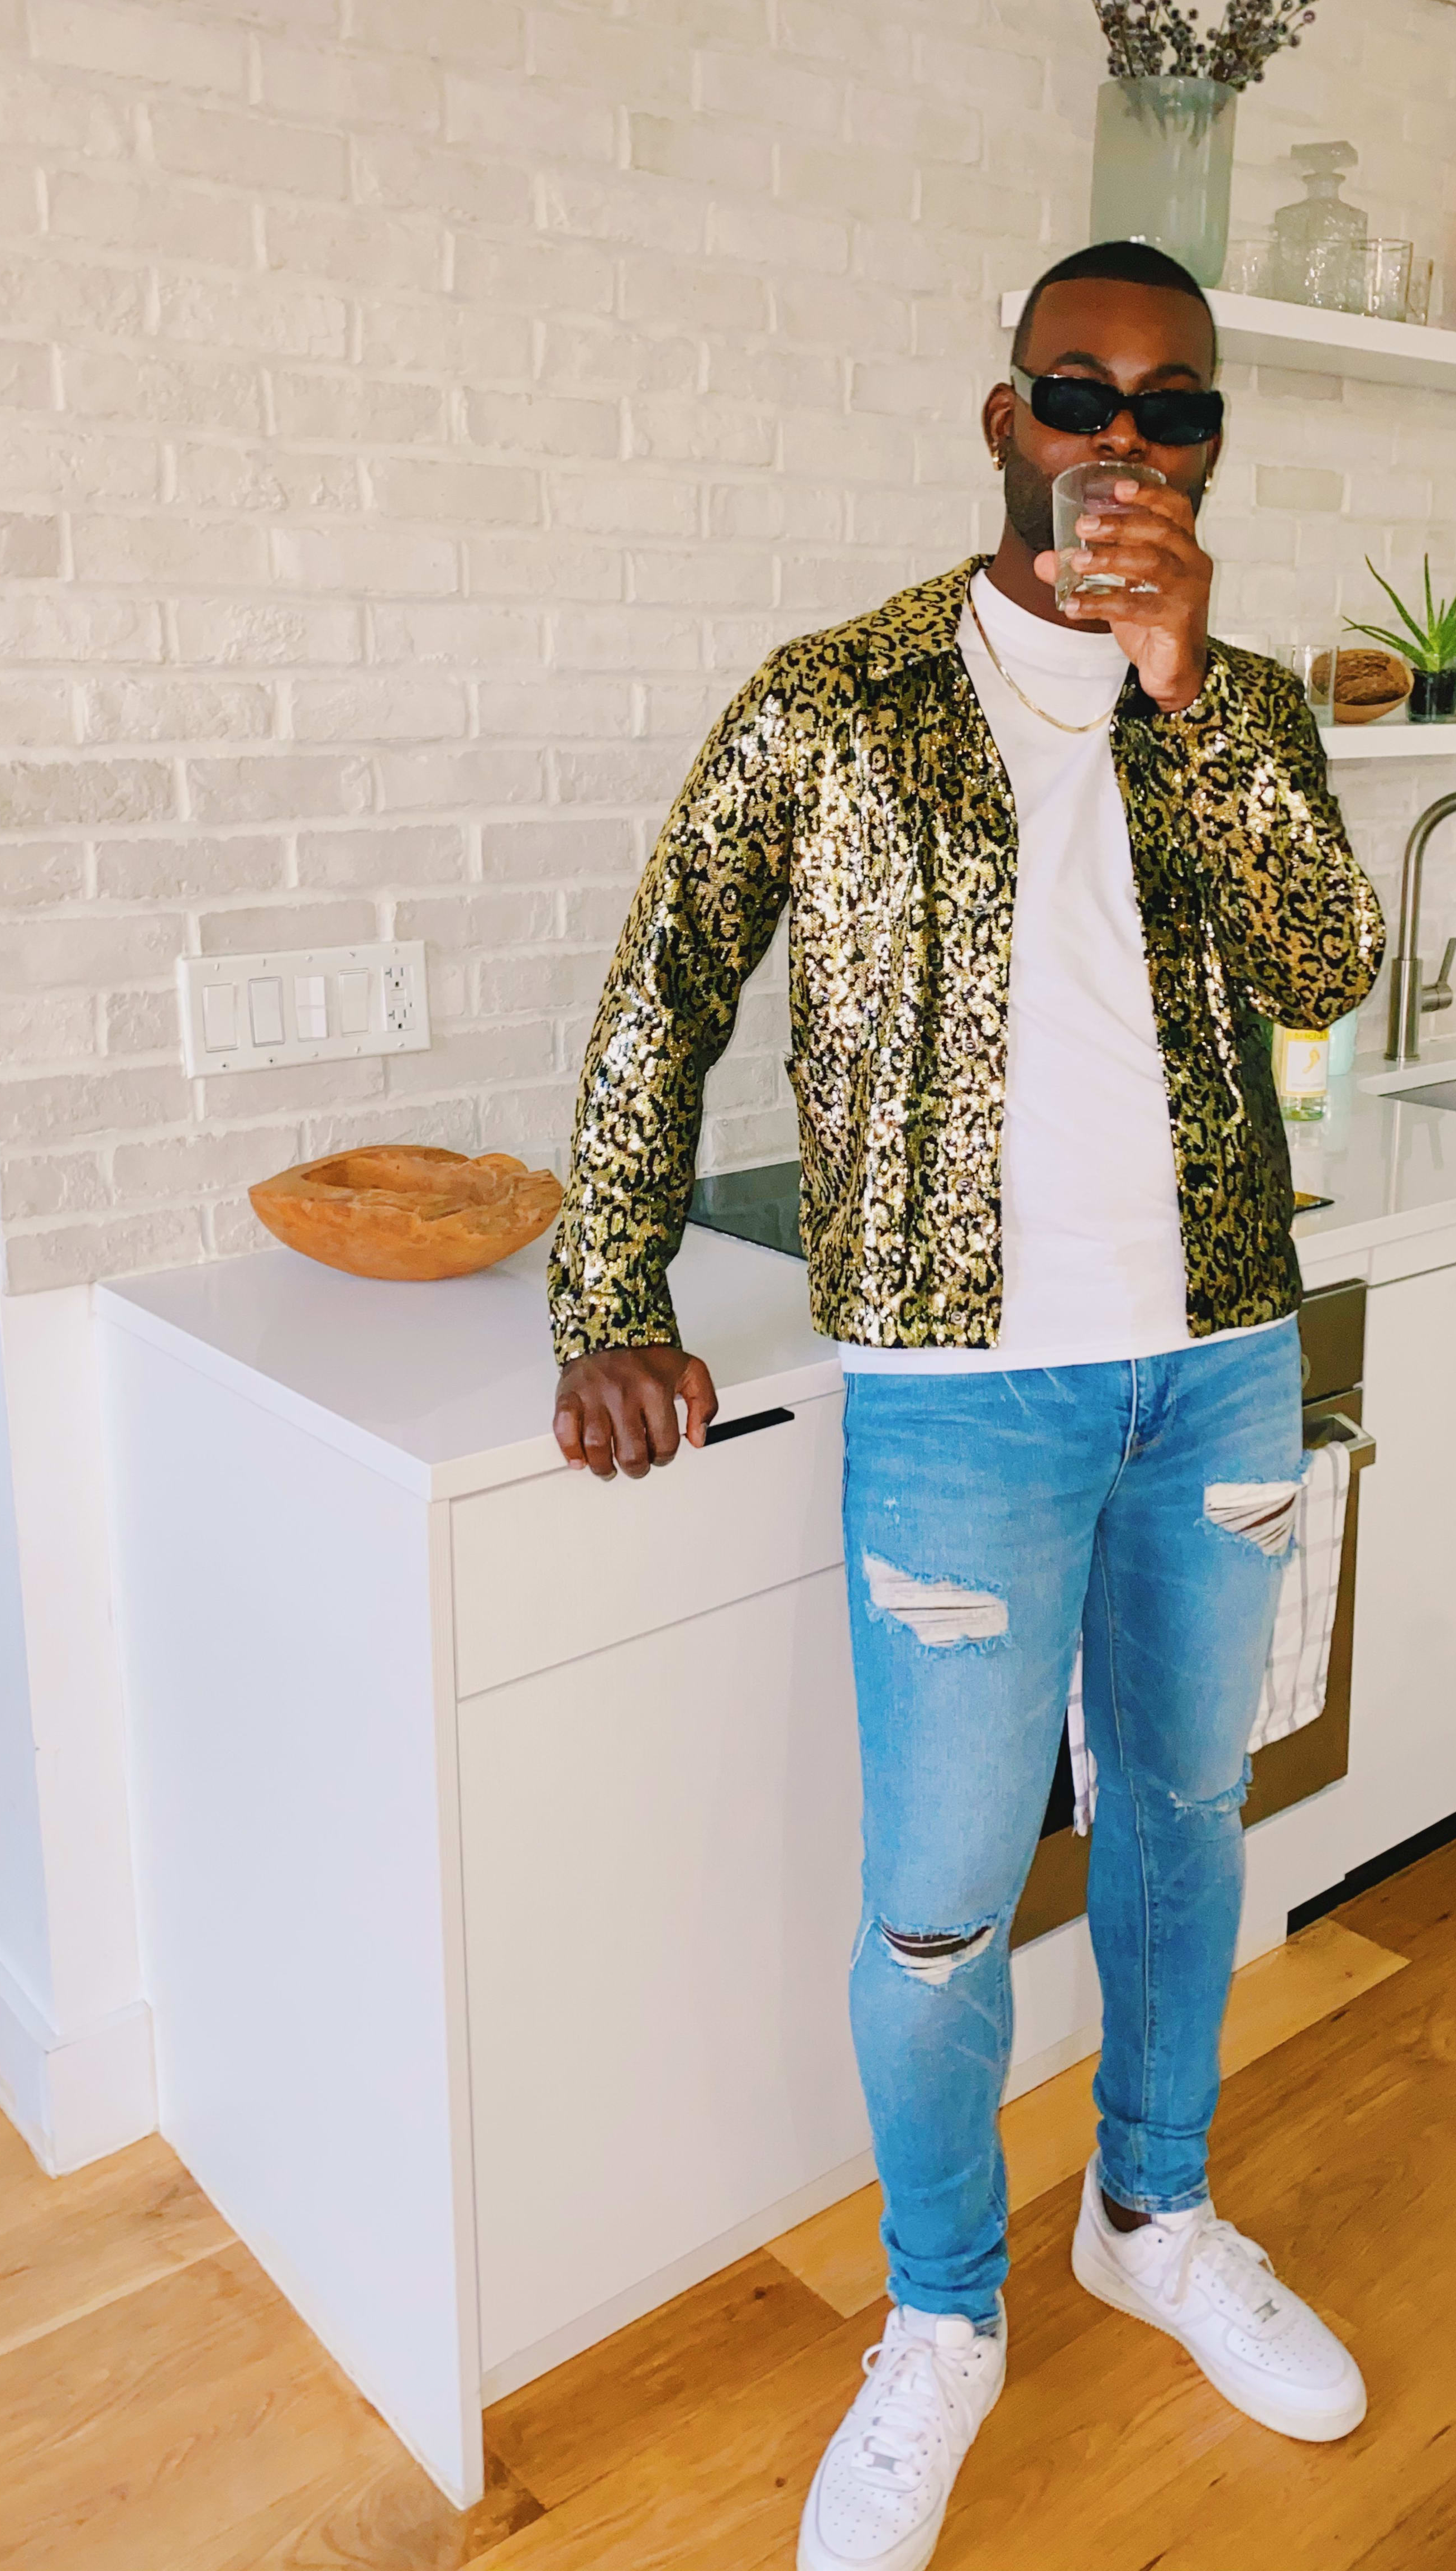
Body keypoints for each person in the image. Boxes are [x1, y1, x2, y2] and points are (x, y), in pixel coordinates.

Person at [548, 242, 1386, 2571]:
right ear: (1000, 415)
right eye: (1078, 395)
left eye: (1175, 410)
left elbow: (1329, 967)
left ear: (1214, 441)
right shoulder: (833, 705)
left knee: (1189, 1821)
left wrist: (1190, 686)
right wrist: (605, 1284)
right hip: (959, 1398)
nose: (1125, 443)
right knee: (935, 1916)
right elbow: (665, 985)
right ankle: (940, 2316)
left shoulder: (1244, 706)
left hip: (1218, 1354)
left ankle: (1155, 2209)